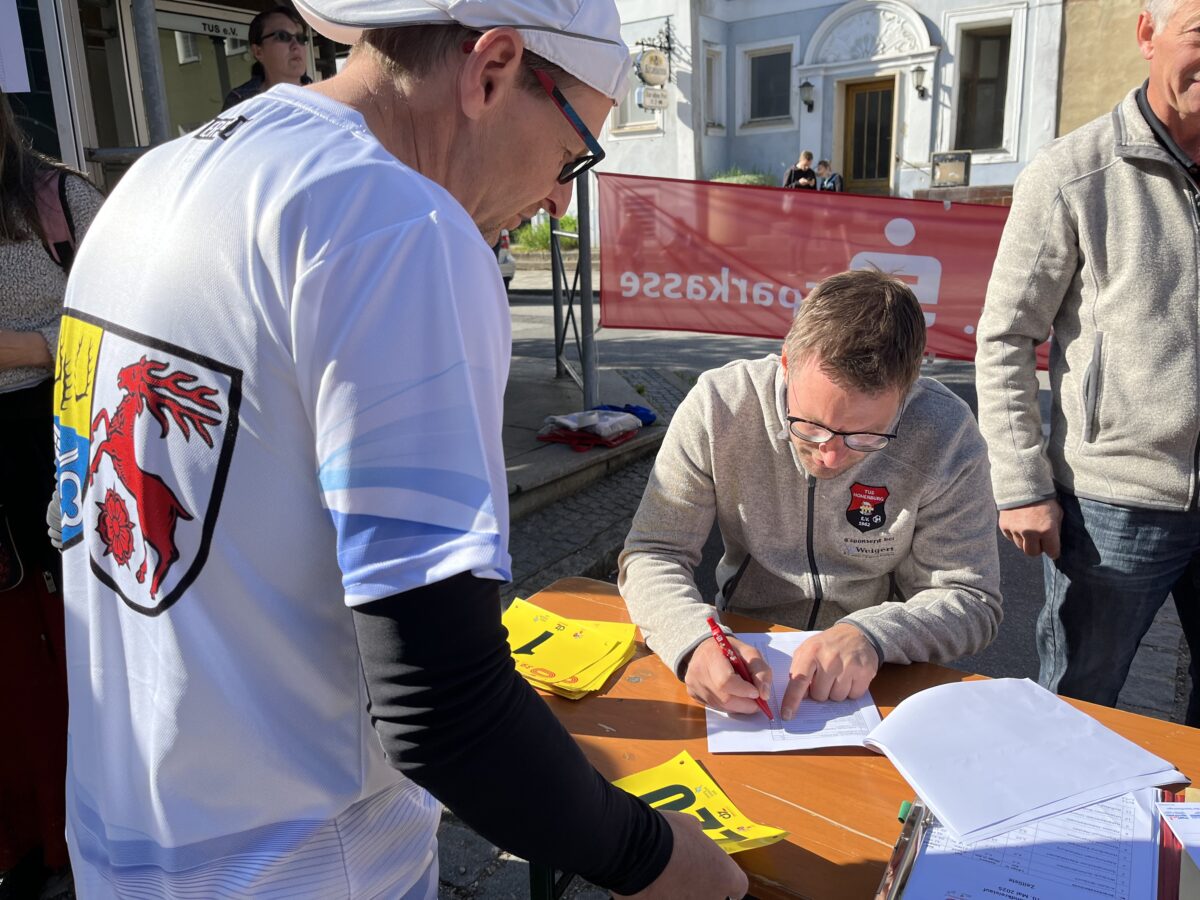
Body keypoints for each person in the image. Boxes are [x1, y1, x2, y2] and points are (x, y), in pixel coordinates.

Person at [51, 2, 747, 898]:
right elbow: (441, 708)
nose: (559, 197)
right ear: (492, 69)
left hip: (125, 839)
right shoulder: (398, 226)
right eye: (575, 151)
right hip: (299, 864)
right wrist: (663, 861)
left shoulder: (159, 175)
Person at [620, 270, 1002, 719]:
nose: (830, 455)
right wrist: (692, 639)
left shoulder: (946, 432)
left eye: (866, 436)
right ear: (786, 362)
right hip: (744, 638)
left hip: (882, 668)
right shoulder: (719, 406)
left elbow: (971, 598)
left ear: (908, 392)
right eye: (809, 424)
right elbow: (652, 552)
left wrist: (874, 634)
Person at [975, 0, 1200, 722]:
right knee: (1078, 705)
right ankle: (1067, 835)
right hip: (1117, 506)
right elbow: (1005, 334)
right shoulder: (1073, 173)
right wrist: (1019, 482)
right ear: (1148, 34)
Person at [0, 91, 102, 900]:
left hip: (59, 439)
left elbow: (129, 321)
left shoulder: (59, 197)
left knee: (79, 648)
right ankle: (26, 839)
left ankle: (88, 830)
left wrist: (21, 348)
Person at [221, 5, 313, 111]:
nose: (296, 46)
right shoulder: (240, 103)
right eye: (282, 36)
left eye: (301, 38)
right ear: (258, 52)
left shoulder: (324, 97)